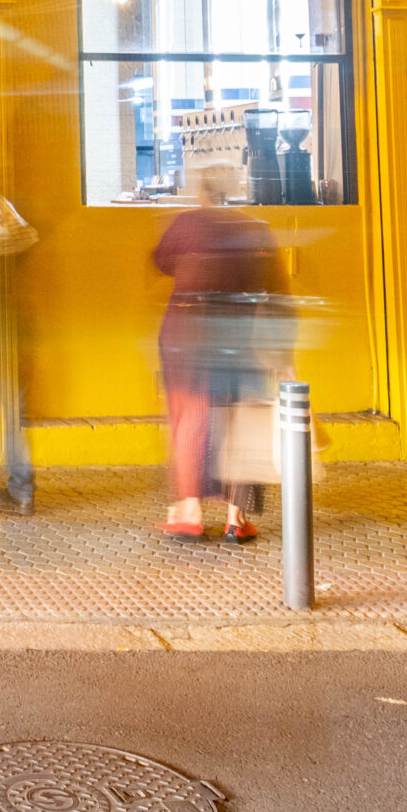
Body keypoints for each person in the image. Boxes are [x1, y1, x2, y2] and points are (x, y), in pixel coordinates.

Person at [151, 165, 283, 543]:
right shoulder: (257, 229)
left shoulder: (186, 223)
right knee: (240, 419)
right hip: (241, 336)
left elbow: (161, 261)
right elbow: (275, 290)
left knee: (192, 416)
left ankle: (190, 511)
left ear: (204, 193)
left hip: (188, 336)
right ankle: (235, 519)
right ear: (237, 191)